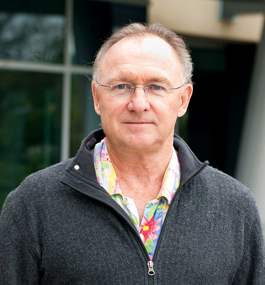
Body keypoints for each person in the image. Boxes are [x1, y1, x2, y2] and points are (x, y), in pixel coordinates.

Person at [0, 22, 264, 284]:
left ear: (183, 99)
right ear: (96, 97)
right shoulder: (32, 204)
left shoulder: (234, 206)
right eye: (121, 86)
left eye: (156, 87)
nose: (138, 104)